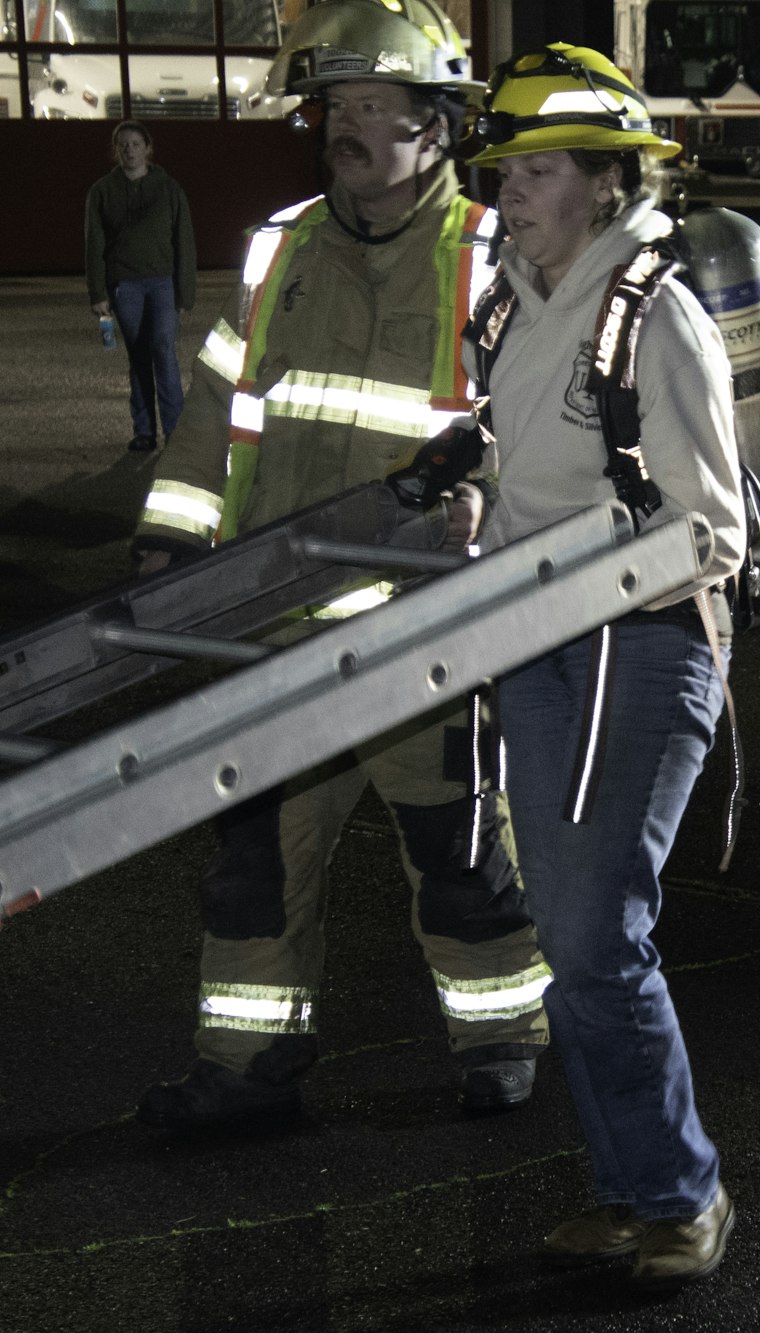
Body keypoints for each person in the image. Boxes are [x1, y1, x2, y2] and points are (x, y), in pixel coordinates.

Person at [127, 0, 549, 1131]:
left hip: (425, 636)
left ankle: (502, 1036)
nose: (347, 128)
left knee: (457, 856)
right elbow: (218, 405)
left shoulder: (491, 261)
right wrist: (171, 532)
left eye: (375, 107)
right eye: (337, 107)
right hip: (275, 629)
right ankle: (246, 1067)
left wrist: (485, 502)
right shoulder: (281, 249)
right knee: (252, 862)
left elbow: (545, 433)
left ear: (437, 126)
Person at [461, 43, 745, 1288]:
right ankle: (637, 1192)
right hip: (536, 651)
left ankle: (681, 1198)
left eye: (536, 170)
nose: (509, 193)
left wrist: (571, 578)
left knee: (593, 934)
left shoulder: (652, 311)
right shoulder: (510, 305)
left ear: (605, 181)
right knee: (569, 941)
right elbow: (512, 479)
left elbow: (714, 530)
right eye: (505, 172)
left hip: (640, 649)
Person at [84, 119, 196, 453]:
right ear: (115, 151)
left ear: (148, 148)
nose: (129, 150)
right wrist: (99, 293)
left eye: (135, 144)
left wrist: (184, 291)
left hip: (162, 283)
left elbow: (184, 242)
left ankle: (175, 430)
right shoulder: (103, 191)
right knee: (139, 357)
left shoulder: (169, 189)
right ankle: (144, 431)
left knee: (164, 350)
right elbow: (94, 245)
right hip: (125, 286)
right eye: (123, 145)